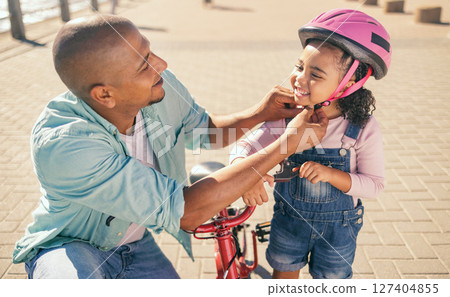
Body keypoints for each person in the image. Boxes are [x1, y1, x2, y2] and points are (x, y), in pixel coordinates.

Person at [12, 14, 328, 279]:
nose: (161, 64)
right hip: (70, 247)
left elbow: (203, 131)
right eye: (143, 65)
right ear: (105, 95)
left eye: (150, 53)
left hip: (134, 244)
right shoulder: (66, 145)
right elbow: (186, 212)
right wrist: (285, 145)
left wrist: (261, 112)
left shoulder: (158, 86)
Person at [230, 9, 391, 279]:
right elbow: (242, 149)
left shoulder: (361, 127)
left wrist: (331, 175)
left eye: (315, 75)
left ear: (349, 81)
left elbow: (375, 185)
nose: (299, 79)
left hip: (338, 232)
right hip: (289, 225)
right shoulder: (288, 117)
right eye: (299, 66)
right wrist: (246, 175)